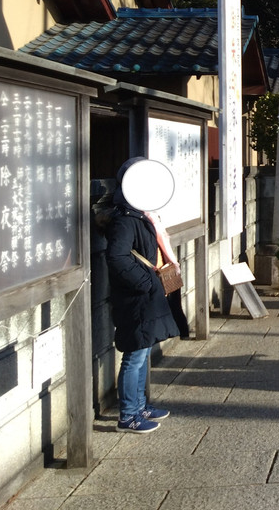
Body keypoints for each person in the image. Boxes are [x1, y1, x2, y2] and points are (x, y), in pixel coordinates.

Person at [104, 157, 180, 433]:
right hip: (135, 299)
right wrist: (145, 284)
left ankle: (139, 406)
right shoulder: (125, 220)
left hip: (143, 296)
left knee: (142, 351)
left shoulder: (140, 215)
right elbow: (117, 257)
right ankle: (128, 415)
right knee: (134, 356)